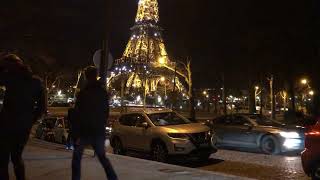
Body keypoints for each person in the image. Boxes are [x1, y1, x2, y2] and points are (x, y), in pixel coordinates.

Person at [0, 54, 46, 180]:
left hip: (6, 124)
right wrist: (31, 120)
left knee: (2, 159)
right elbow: (42, 107)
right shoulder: (36, 81)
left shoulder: (9, 77)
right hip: (23, 126)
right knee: (17, 157)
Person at [72, 66, 117, 180]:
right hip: (98, 129)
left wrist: (76, 132)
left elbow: (77, 113)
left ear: (86, 77)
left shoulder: (83, 93)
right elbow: (106, 111)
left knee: (77, 157)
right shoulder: (102, 92)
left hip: (85, 130)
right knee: (102, 158)